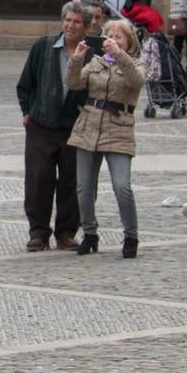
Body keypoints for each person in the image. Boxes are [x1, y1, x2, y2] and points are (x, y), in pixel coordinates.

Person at [67, 19, 146, 259]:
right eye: (109, 35)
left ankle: (131, 235)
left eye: (118, 36)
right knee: (83, 187)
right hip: (88, 126)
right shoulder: (95, 62)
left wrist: (120, 55)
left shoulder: (136, 63)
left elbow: (136, 81)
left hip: (118, 128)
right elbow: (73, 83)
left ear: (128, 41)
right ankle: (90, 233)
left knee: (122, 187)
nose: (112, 39)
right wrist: (77, 59)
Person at [16, 1, 89, 252]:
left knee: (71, 181)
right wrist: (27, 112)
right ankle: (38, 232)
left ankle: (66, 232)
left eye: (76, 22)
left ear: (86, 27)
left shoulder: (91, 52)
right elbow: (25, 83)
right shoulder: (43, 46)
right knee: (38, 180)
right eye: (67, 20)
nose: (70, 25)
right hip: (42, 125)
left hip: (75, 127)